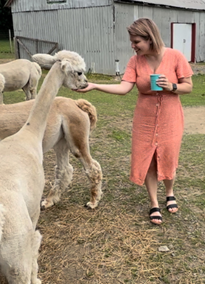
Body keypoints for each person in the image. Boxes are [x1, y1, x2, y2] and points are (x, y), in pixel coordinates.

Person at [76, 18, 193, 225]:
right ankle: (154, 203)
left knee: (167, 155)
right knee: (147, 158)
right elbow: (123, 88)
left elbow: (188, 86)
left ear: (150, 38)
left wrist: (172, 86)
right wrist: (94, 85)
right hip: (145, 118)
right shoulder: (135, 61)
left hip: (170, 117)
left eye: (136, 41)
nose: (133, 46)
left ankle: (170, 192)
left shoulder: (175, 56)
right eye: (132, 41)